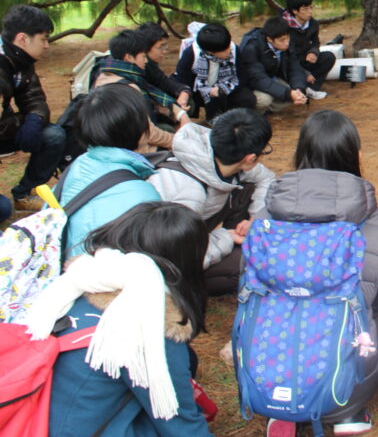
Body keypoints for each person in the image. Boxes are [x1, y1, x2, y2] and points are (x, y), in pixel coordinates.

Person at [261, 110, 378, 436]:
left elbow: (250, 285)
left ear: (300, 155)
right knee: (370, 321)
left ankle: (283, 407)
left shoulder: (266, 214)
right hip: (345, 352)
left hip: (274, 353)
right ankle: (347, 410)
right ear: (356, 157)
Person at [26, 201, 213, 436]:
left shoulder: (76, 283)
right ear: (186, 262)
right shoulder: (148, 326)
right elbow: (179, 424)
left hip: (34, 419)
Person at [147, 108, 275, 296]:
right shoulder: (188, 193)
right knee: (249, 264)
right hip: (167, 261)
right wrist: (226, 238)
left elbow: (266, 178)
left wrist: (255, 218)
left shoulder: (214, 151)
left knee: (248, 188)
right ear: (250, 158)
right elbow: (177, 257)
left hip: (191, 230)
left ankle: (238, 243)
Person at [61, 83, 162, 257]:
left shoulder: (79, 165)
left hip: (64, 274)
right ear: (138, 129)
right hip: (98, 280)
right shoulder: (142, 195)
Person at [0, 5, 67, 211]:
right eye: (43, 38)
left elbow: (34, 97)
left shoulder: (21, 59)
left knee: (53, 136)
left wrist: (35, 120)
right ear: (22, 39)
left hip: (5, 129)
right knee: (3, 210)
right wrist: (22, 123)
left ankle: (24, 193)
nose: (47, 45)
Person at [174, 23, 256, 122]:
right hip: (199, 91)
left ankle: (233, 117)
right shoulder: (191, 54)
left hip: (227, 87)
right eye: (225, 50)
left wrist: (223, 88)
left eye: (228, 45)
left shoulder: (234, 49)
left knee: (247, 98)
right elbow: (182, 80)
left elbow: (242, 77)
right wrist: (186, 94)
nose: (229, 50)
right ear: (210, 52)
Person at [238, 16, 310, 113]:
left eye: (288, 38)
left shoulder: (286, 41)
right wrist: (289, 94)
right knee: (265, 100)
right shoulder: (251, 48)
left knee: (293, 92)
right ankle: (252, 114)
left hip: (271, 78)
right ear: (269, 39)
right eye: (282, 40)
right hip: (251, 85)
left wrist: (299, 88)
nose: (287, 43)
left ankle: (269, 108)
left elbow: (295, 67)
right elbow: (258, 79)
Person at [282, 0, 333, 96]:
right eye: (305, 9)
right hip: (289, 63)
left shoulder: (313, 23)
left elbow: (315, 42)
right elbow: (288, 55)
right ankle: (299, 87)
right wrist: (306, 73)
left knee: (329, 57)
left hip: (304, 59)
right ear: (295, 10)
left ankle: (311, 88)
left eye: (311, 7)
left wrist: (313, 52)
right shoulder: (284, 26)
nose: (310, 12)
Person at [137, 22, 193, 114]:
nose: (164, 51)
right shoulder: (139, 67)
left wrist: (184, 91)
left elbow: (163, 82)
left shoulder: (151, 65)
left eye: (165, 46)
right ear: (145, 47)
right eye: (160, 47)